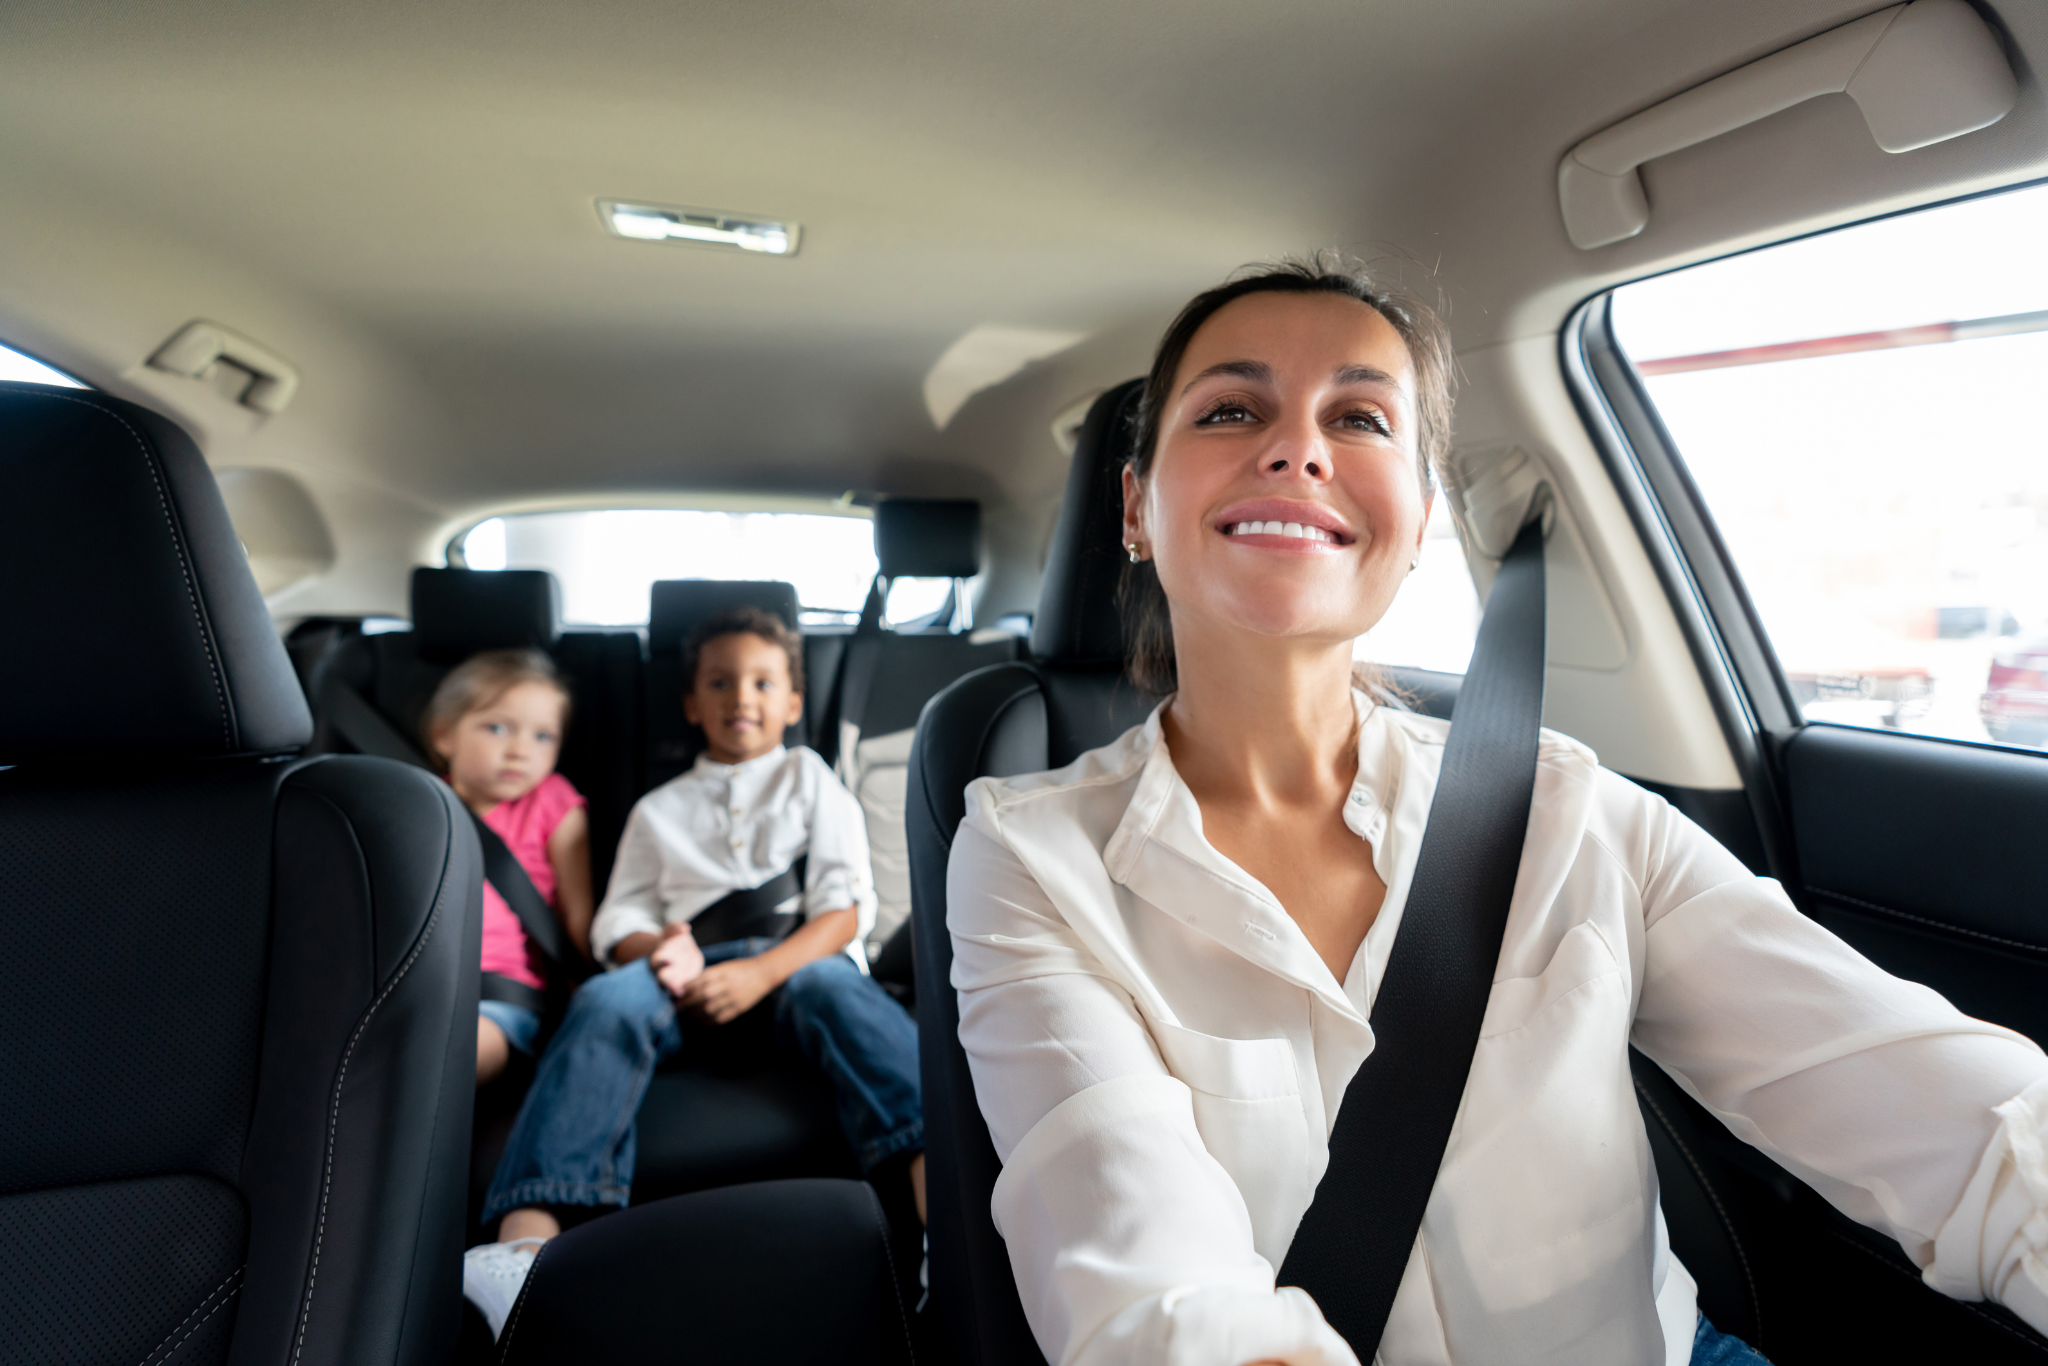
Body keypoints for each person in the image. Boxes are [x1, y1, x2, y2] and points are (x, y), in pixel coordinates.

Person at [945, 258, 2048, 1366]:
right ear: (1135, 506)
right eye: (1231, 410)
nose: (1297, 449)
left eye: (1360, 417)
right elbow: (1143, 1269)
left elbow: (1962, 1127)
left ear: (1418, 521)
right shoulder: (1028, 852)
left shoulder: (1570, 810)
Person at [463, 606, 924, 1337]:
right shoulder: (659, 809)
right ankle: (523, 1240)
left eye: (764, 683)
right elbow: (617, 922)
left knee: (843, 991)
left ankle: (942, 1217)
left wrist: (762, 973)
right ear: (691, 704)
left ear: (793, 703)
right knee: (607, 1002)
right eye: (720, 682)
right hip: (680, 976)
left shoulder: (811, 778)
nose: (742, 697)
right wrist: (659, 951)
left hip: (793, 967)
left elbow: (845, 911)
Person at [422, 648, 593, 1086]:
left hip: (501, 996)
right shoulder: (418, 804)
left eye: (543, 737)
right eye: (497, 728)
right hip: (420, 986)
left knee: (440, 1065)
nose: (520, 750)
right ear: (444, 736)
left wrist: (584, 984)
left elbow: (578, 914)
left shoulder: (553, 802)